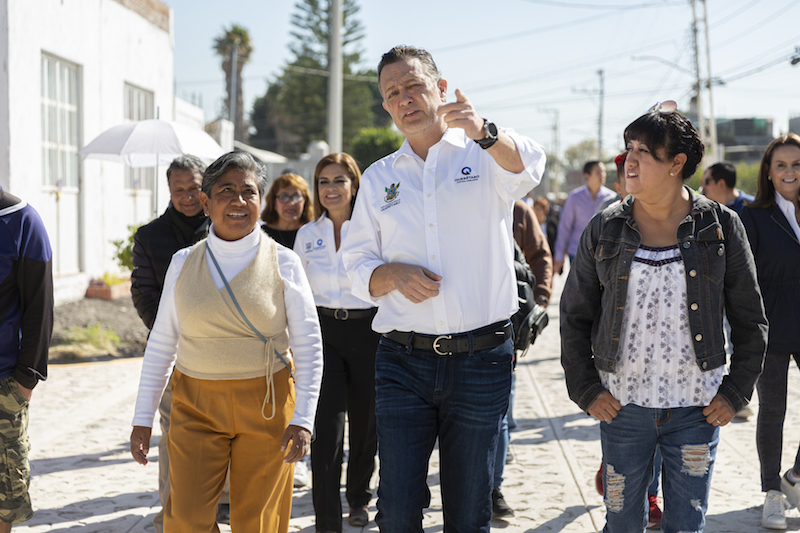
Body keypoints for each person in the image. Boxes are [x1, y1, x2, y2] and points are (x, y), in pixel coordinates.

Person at [341, 45, 546, 532]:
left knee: (469, 512)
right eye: (392, 93)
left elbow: (530, 167)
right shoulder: (377, 179)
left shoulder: (484, 153)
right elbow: (355, 265)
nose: (405, 98)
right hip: (401, 362)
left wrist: (484, 131)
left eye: (413, 85)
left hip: (481, 361)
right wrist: (391, 276)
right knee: (396, 512)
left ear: (440, 87)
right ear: (387, 107)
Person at [560, 101, 767, 533]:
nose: (629, 160)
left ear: (676, 163)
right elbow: (575, 315)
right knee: (621, 522)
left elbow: (751, 320)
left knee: (686, 524)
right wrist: (586, 389)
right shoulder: (605, 227)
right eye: (628, 147)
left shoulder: (721, 226)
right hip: (622, 408)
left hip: (698, 408)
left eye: (644, 152)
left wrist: (734, 393)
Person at [129, 151, 323, 533]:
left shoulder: (285, 263)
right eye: (226, 191)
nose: (238, 201)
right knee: (184, 518)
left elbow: (309, 346)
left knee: (258, 523)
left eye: (248, 192)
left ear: (260, 200)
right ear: (206, 201)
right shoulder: (183, 262)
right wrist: (142, 418)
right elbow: (163, 343)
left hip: (267, 406)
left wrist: (303, 420)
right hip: (195, 405)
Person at [129, 155, 220, 530]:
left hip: (222, 351)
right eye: (178, 190)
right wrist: (172, 333)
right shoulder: (150, 236)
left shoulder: (225, 228)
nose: (186, 196)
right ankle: (172, 512)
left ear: (206, 187)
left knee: (220, 436)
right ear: (168, 190)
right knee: (174, 437)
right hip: (173, 353)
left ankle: (215, 510)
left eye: (194, 188)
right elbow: (143, 293)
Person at [293, 152, 380, 532]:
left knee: (366, 425)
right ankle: (326, 517)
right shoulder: (307, 235)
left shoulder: (374, 228)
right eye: (323, 181)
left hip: (369, 331)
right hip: (323, 332)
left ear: (354, 185)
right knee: (326, 429)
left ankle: (359, 499)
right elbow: (295, 293)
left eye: (339, 180)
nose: (330, 188)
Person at [738, 133, 800, 530]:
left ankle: (794, 476)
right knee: (772, 411)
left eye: (796, 164)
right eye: (782, 165)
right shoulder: (754, 215)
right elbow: (743, 277)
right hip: (772, 324)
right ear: (769, 171)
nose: (790, 172)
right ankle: (772, 494)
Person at [491, 199, 552, 518]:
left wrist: (540, 299)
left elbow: (540, 255)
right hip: (455, 329)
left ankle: (492, 488)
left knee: (500, 407)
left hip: (506, 325)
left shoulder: (519, 210)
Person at [0, 185, 52, 532]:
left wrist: (24, 381)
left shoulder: (22, 221)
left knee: (6, 496)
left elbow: (40, 307)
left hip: (3, 383)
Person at [553, 160, 615, 275]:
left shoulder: (612, 198)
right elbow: (565, 227)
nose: (602, 175)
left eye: (603, 172)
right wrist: (559, 255)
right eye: (598, 172)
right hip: (576, 253)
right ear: (587, 176)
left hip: (603, 255)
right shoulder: (574, 198)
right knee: (579, 291)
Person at [261, 172, 314, 249]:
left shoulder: (314, 233)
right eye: (284, 196)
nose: (291, 203)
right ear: (273, 202)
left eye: (296, 196)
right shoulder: (261, 235)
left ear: (305, 202)